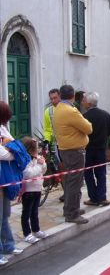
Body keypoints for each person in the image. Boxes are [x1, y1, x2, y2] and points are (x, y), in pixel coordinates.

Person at [53, 85, 93, 224]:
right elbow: (88, 128)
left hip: (65, 149)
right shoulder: (70, 111)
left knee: (71, 180)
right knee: (75, 182)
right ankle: (72, 213)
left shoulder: (58, 108)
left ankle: (71, 208)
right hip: (74, 151)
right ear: (73, 95)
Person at [0, 101, 24, 265]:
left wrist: (11, 146)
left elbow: (17, 147)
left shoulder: (2, 128)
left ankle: (8, 246)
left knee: (5, 215)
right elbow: (6, 154)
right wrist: (12, 148)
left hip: (5, 178)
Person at [82, 92, 110, 207]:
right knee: (101, 173)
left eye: (84, 100)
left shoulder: (84, 117)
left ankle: (93, 197)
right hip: (101, 149)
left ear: (89, 103)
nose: (82, 102)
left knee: (88, 173)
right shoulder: (106, 115)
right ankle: (102, 197)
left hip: (88, 149)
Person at [20, 137, 48, 244]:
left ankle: (36, 230)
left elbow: (43, 171)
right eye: (36, 148)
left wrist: (43, 163)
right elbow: (28, 174)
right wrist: (40, 165)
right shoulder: (26, 160)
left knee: (35, 212)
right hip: (28, 191)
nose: (38, 150)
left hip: (37, 189)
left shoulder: (37, 158)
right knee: (26, 212)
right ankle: (27, 234)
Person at [42, 88, 64, 202]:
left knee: (65, 167)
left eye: (55, 98)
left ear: (60, 96)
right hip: (55, 144)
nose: (53, 100)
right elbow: (47, 129)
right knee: (59, 167)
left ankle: (69, 192)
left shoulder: (67, 109)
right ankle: (65, 190)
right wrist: (46, 139)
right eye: (51, 98)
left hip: (66, 143)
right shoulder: (48, 111)